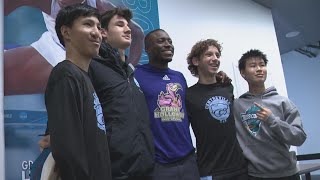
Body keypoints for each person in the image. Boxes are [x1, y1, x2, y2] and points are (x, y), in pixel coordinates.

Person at [4, 0, 144, 95]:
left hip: (80, 61)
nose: (62, 1)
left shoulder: (102, 7)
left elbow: (137, 33)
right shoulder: (48, 2)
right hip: (54, 46)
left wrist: (129, 68)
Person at [44, 4, 111, 179]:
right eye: (88, 24)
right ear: (66, 32)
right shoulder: (65, 75)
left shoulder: (85, 78)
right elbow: (68, 149)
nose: (97, 33)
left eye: (98, 26)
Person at [88, 8, 154, 180]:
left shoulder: (130, 74)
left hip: (144, 169)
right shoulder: (92, 67)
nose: (128, 29)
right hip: (113, 171)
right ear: (103, 33)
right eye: (120, 25)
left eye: (128, 25)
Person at [134, 29, 200, 180]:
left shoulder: (179, 77)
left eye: (169, 41)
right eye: (161, 41)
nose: (167, 45)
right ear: (148, 49)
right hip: (158, 163)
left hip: (188, 159)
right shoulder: (136, 74)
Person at [234, 49, 307, 180]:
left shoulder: (283, 102)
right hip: (254, 175)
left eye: (262, 65)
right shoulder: (236, 105)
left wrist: (273, 120)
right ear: (243, 73)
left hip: (287, 173)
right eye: (253, 65)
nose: (259, 69)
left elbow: (299, 137)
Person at [185, 39, 248, 180]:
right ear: (196, 61)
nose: (215, 59)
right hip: (210, 170)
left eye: (217, 55)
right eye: (209, 55)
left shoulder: (227, 87)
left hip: (239, 166)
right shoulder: (188, 95)